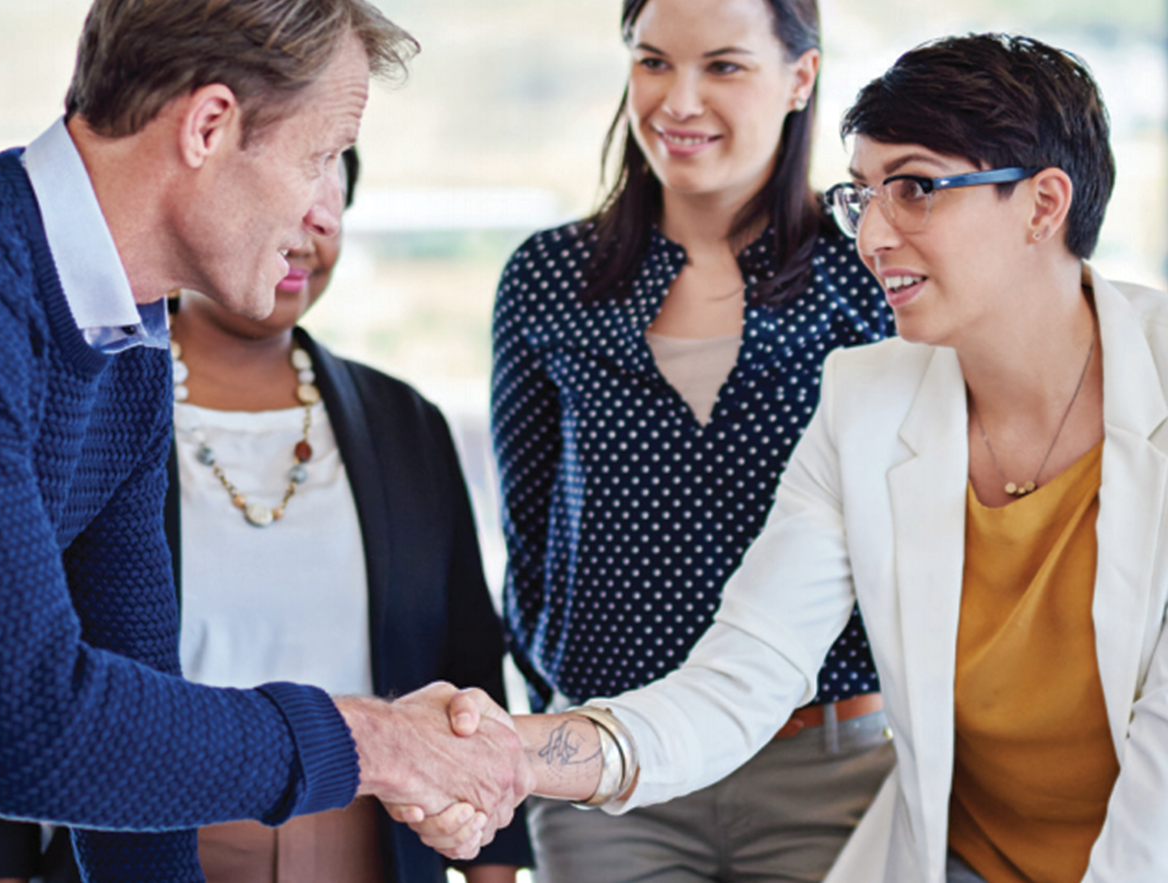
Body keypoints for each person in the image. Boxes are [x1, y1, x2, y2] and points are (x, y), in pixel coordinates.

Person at [432, 31, 1168, 883]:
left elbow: (1154, 809)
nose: (874, 237)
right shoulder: (866, 399)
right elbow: (741, 677)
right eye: (863, 197)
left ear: (1044, 205)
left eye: (917, 189)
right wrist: (509, 752)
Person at [0, 3, 529, 882]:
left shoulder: (128, 355)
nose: (324, 209)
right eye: (317, 155)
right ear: (210, 126)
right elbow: (31, 730)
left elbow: (125, 780)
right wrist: (372, 740)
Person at [489, 0, 894, 879]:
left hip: (829, 767)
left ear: (801, 77)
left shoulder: (870, 274)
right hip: (601, 773)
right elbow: (526, 540)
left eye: (723, 66)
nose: (678, 100)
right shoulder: (547, 277)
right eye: (652, 61)